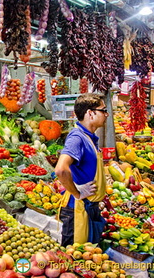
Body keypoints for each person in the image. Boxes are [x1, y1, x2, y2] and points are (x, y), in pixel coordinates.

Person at [54, 93, 108, 246]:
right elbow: (60, 169)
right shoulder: (77, 138)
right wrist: (77, 193)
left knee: (87, 256)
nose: (106, 114)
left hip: (89, 207)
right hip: (77, 210)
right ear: (90, 113)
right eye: (103, 110)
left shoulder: (89, 136)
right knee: (74, 257)